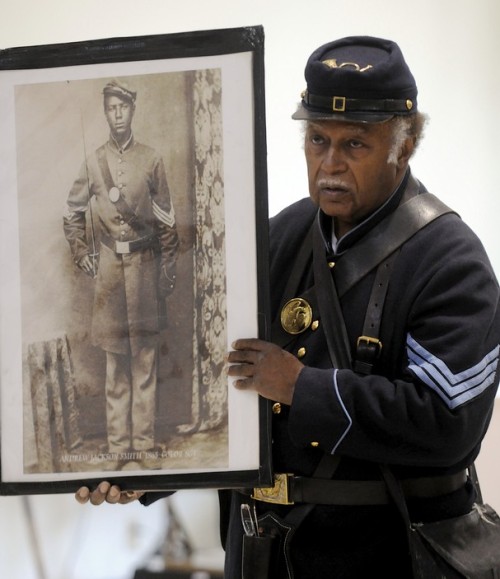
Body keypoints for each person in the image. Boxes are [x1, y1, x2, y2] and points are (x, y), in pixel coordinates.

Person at [75, 37, 500, 577]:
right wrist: (152, 471)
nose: (330, 165)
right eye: (318, 139)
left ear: (406, 143)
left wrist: (302, 387)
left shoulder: (451, 260)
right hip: (263, 555)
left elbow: (449, 426)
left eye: (355, 145)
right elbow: (229, 384)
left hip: (381, 556)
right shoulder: (284, 234)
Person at [64, 79, 179, 470]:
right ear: (105, 112)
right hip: (111, 275)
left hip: (145, 272)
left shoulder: (152, 158)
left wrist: (167, 269)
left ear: (132, 111)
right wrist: (82, 253)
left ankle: (143, 446)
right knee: (116, 364)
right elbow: (72, 213)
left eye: (122, 108)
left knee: (145, 360)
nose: (117, 115)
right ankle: (117, 449)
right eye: (110, 108)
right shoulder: (93, 161)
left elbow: (167, 220)